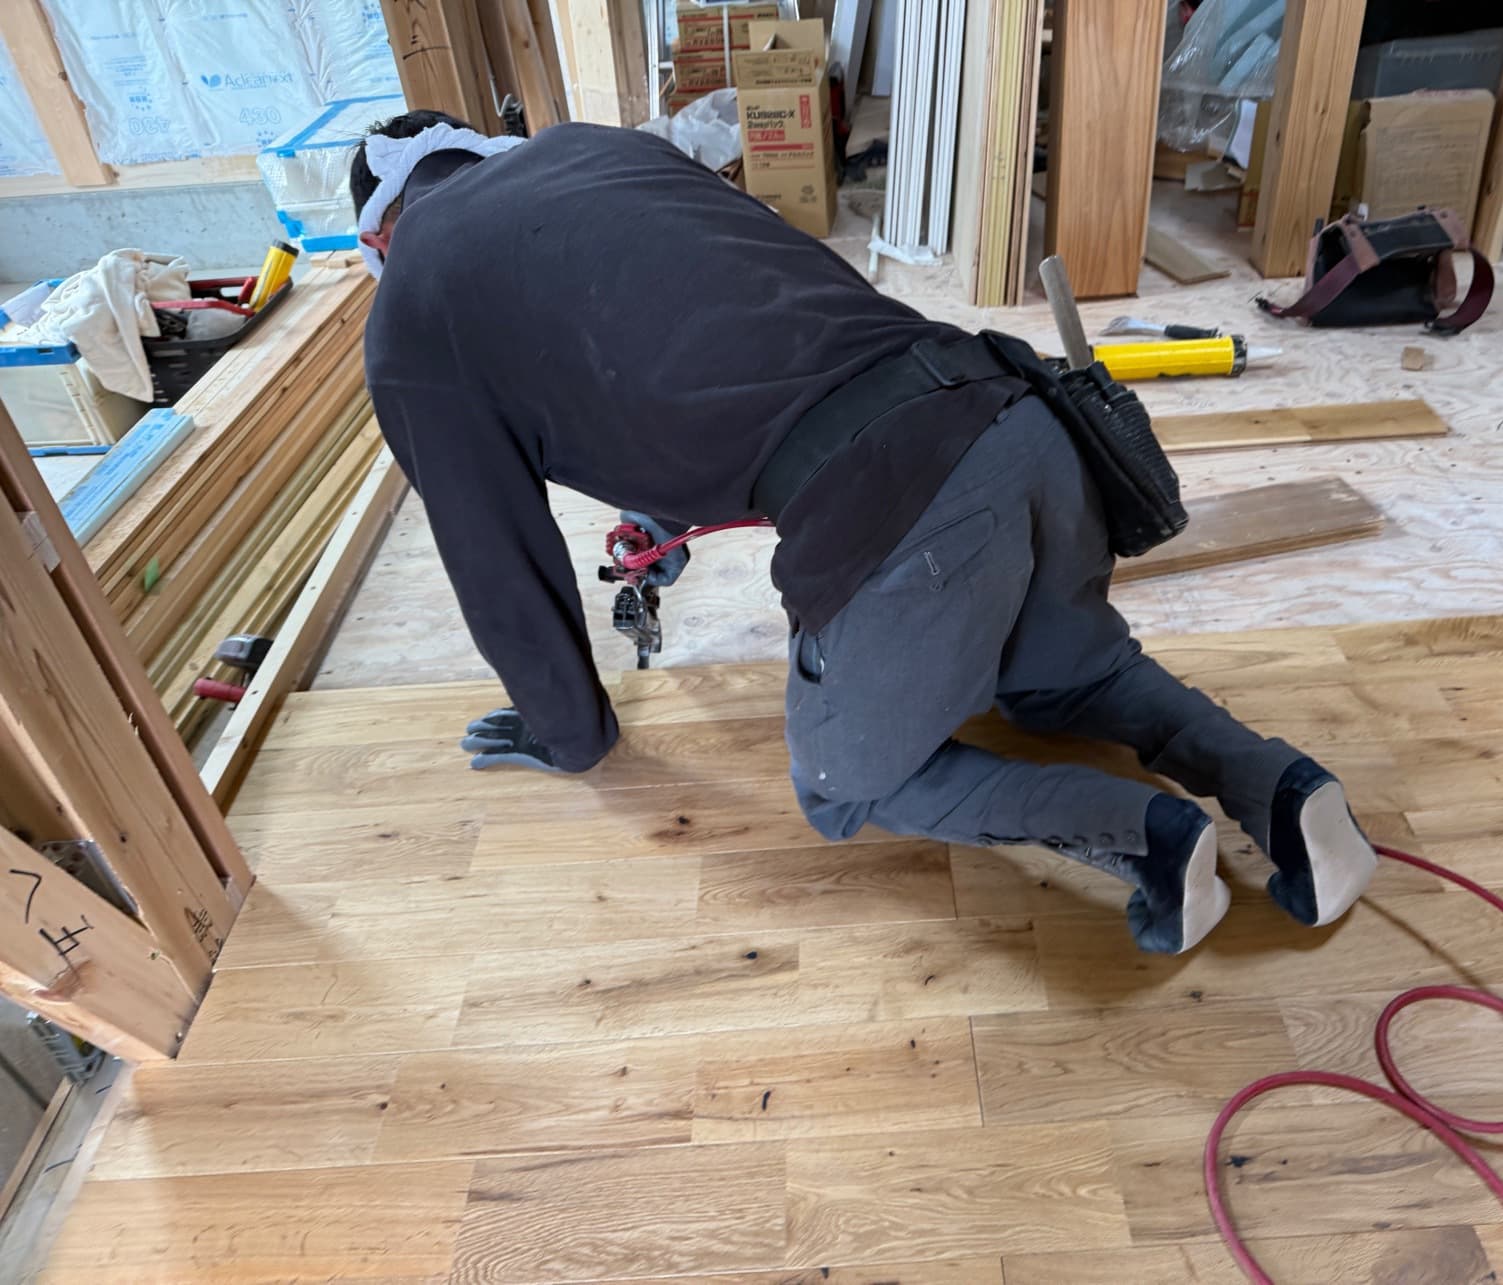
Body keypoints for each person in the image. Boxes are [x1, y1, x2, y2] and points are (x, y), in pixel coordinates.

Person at [351, 110, 1377, 956]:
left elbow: (495, 559)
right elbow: (725, 321)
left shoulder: (410, 310)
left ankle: (1147, 838)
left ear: (380, 241)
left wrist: (566, 729)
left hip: (903, 505)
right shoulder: (592, 151)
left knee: (844, 782)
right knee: (1067, 676)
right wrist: (658, 511)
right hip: (1011, 408)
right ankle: (1282, 789)